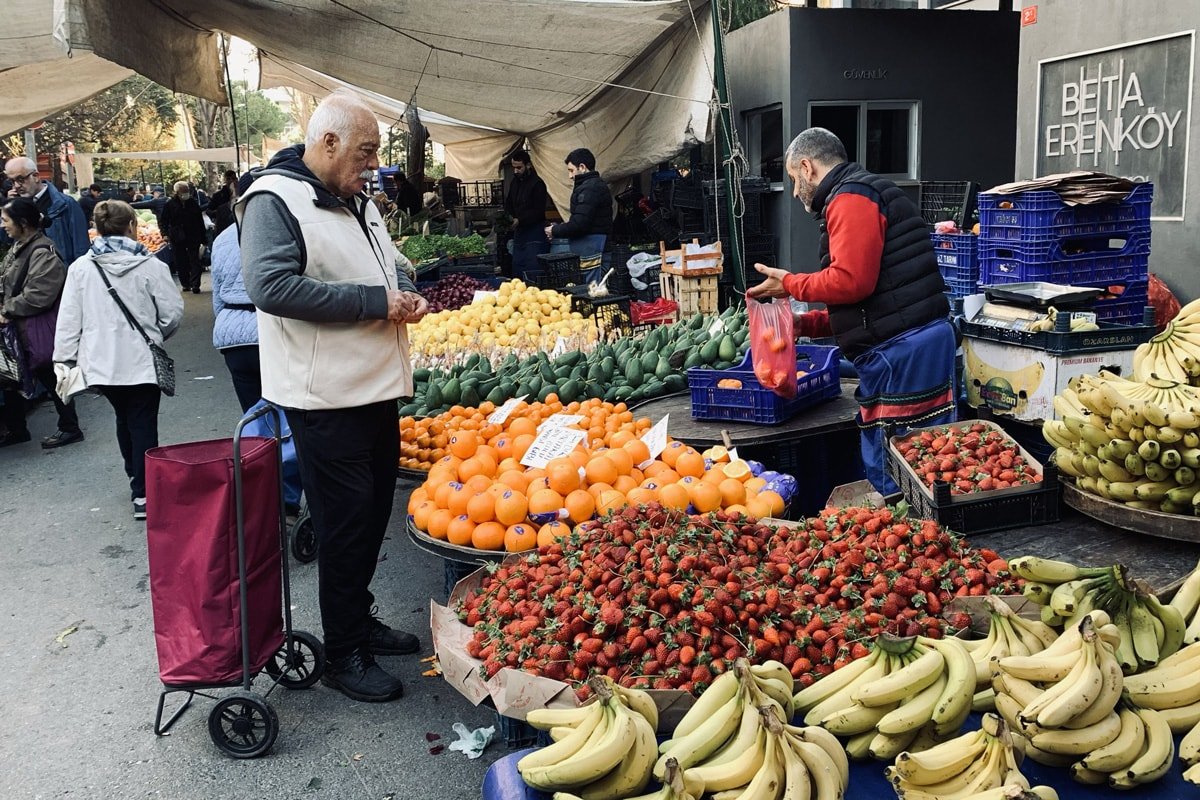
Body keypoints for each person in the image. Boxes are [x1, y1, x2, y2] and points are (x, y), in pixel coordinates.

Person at [238, 89, 428, 703]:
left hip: (373, 390)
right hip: (324, 399)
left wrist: (403, 285)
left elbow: (388, 261)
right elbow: (271, 287)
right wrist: (376, 302)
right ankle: (342, 652)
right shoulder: (275, 199)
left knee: (372, 517)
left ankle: (358, 619)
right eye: (365, 153)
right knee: (345, 525)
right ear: (326, 143)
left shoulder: (356, 200)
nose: (372, 165)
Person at [747, 127, 954, 496]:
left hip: (902, 351)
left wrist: (791, 284)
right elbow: (873, 300)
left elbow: (851, 281)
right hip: (913, 342)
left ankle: (913, 538)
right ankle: (922, 533)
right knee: (926, 459)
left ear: (807, 167)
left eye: (794, 180)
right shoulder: (865, 192)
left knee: (897, 462)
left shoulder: (851, 197)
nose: (795, 192)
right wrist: (804, 323)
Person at [54, 200, 183, 519]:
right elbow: (172, 314)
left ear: (97, 229)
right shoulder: (151, 266)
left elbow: (69, 318)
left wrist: (64, 360)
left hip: (100, 363)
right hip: (142, 360)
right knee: (142, 422)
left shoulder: (81, 268)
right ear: (131, 227)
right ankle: (143, 492)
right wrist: (156, 334)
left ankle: (135, 479)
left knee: (124, 418)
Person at [0, 199, 82, 449]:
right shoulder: (20, 247)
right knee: (11, 378)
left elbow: (39, 295)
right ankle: (17, 429)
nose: (2, 225)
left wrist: (6, 309)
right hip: (20, 329)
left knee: (50, 376)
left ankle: (70, 427)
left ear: (23, 223)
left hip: (36, 329)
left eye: (6, 220)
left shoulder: (43, 252)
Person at [211, 174, 261, 412]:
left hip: (233, 337)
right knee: (290, 419)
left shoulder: (223, 238)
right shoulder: (283, 227)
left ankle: (257, 449)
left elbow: (218, 297)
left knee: (253, 415)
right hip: (269, 331)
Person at [3, 157, 90, 265]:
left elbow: (81, 248)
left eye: (21, 179)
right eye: (12, 181)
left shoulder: (66, 204)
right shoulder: (14, 206)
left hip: (60, 275)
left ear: (35, 176)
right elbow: (6, 243)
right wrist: (8, 210)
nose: (16, 186)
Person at [544, 147, 613, 264]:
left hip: (592, 246)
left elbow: (579, 223)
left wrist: (555, 230)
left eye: (571, 170)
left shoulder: (590, 188)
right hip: (592, 245)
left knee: (591, 281)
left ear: (582, 167)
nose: (570, 176)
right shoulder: (591, 186)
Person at [504, 149, 549, 281]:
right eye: (514, 167)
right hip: (520, 234)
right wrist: (508, 218)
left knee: (533, 270)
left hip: (535, 232)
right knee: (518, 268)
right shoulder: (514, 182)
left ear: (528, 165)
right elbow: (509, 203)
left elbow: (538, 211)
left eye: (519, 167)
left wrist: (520, 220)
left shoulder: (538, 184)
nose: (516, 171)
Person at [159, 181, 206, 293]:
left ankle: (195, 285)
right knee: (180, 261)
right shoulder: (170, 205)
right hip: (177, 237)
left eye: (187, 191)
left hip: (193, 236)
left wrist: (203, 238)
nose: (186, 194)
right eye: (183, 192)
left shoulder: (193, 203)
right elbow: (164, 221)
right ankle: (185, 283)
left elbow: (199, 221)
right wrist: (165, 234)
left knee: (195, 260)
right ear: (177, 192)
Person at [206, 170, 239, 236]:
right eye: (228, 179)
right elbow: (208, 211)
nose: (231, 181)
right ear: (225, 180)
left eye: (233, 178)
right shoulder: (218, 195)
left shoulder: (240, 191)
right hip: (223, 225)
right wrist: (219, 212)